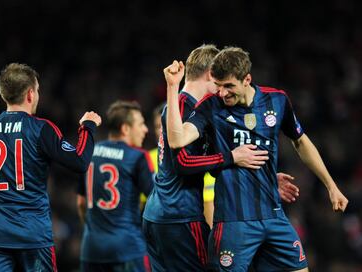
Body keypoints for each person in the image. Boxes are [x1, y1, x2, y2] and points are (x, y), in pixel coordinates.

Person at [164, 47, 348, 271]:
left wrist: (331, 185)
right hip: (233, 223)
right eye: (218, 85)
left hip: (273, 216)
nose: (222, 93)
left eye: (228, 86)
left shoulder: (277, 100)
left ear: (247, 79)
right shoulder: (210, 106)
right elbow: (177, 139)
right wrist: (173, 87)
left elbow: (300, 141)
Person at [143, 45, 300, 272]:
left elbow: (212, 160)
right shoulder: (183, 106)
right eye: (218, 83)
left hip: (159, 214)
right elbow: (183, 163)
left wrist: (264, 180)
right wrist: (231, 157)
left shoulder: (192, 110)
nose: (221, 92)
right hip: (180, 214)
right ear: (210, 74)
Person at [0, 63, 101, 272]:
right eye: (37, 90)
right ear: (30, 94)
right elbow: (79, 161)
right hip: (32, 238)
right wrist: (88, 127)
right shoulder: (41, 129)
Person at [76, 100, 154, 272]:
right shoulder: (137, 157)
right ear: (125, 128)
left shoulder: (88, 154)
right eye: (141, 124)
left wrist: (93, 229)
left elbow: (81, 203)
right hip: (127, 249)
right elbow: (155, 200)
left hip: (91, 248)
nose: (145, 129)